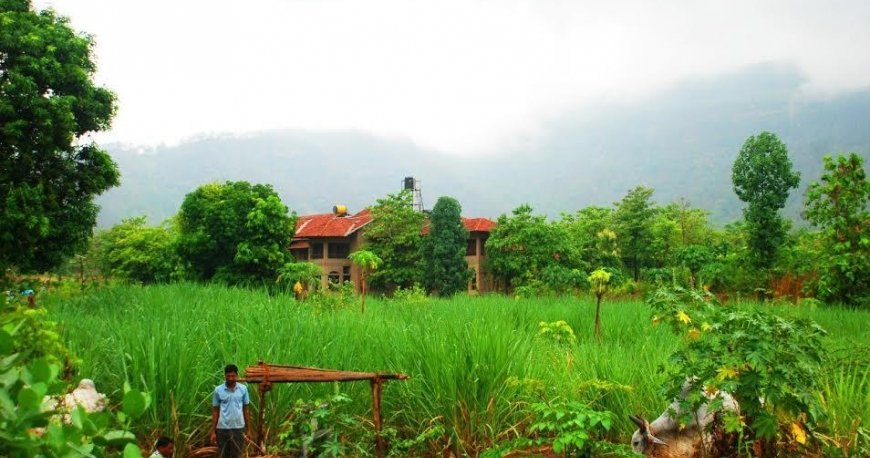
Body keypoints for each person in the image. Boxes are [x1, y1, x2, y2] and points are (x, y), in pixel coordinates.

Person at [210, 364, 251, 458]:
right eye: (228, 376)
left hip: (239, 428)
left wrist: (249, 430)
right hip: (222, 429)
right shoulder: (218, 390)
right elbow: (215, 411)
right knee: (223, 454)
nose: (231, 378)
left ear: (237, 375)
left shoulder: (243, 389)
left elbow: (246, 410)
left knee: (237, 454)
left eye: (233, 376)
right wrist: (213, 431)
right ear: (225, 376)